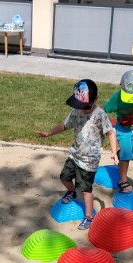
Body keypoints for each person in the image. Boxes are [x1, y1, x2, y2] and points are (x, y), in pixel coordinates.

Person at [37, 79, 118, 231]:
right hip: (75, 155)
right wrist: (48, 133)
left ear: (95, 99)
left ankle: (88, 216)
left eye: (85, 106)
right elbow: (64, 125)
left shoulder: (100, 115)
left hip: (89, 160)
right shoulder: (76, 111)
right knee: (64, 177)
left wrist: (114, 151)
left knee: (86, 190)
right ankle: (72, 192)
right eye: (79, 105)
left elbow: (110, 133)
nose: (82, 109)